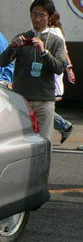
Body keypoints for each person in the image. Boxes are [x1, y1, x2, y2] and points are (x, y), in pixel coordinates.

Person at [0, 0, 68, 144]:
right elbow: (2, 62)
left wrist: (44, 52)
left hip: (44, 101)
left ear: (49, 17)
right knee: (21, 141)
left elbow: (59, 67)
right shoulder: (22, 38)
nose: (37, 19)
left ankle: (43, 168)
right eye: (34, 14)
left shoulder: (56, 41)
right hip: (22, 99)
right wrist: (12, 47)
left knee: (43, 142)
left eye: (42, 15)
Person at [48, 11, 76, 143]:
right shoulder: (54, 31)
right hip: (49, 75)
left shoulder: (54, 32)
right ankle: (63, 126)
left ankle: (64, 125)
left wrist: (69, 69)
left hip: (50, 75)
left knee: (42, 107)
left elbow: (64, 52)